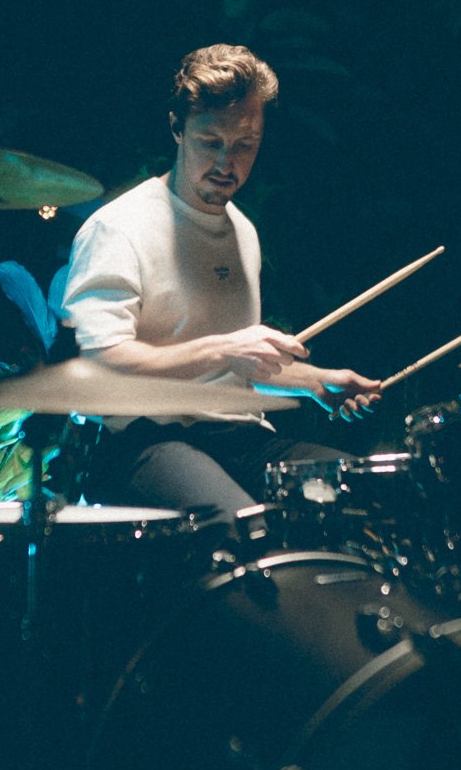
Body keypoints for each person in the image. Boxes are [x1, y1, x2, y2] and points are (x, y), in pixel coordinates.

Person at [59, 43, 382, 521]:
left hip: (241, 436)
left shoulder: (242, 231)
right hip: (146, 440)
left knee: (367, 494)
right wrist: (224, 349)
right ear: (176, 128)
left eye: (245, 144)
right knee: (246, 526)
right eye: (211, 141)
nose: (227, 162)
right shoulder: (119, 228)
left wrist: (317, 382)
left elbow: (238, 368)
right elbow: (100, 363)